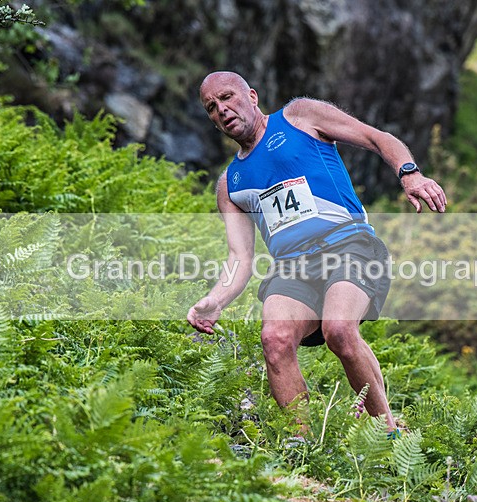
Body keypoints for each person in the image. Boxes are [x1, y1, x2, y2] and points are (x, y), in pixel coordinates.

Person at [187, 71, 446, 434]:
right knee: (274, 339)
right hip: (292, 268)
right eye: (211, 108)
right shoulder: (230, 184)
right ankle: (303, 445)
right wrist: (215, 299)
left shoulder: (300, 116)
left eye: (227, 97)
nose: (222, 110)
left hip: (348, 246)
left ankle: (387, 436)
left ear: (252, 96)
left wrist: (410, 175)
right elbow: (239, 259)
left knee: (339, 330)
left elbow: (377, 138)